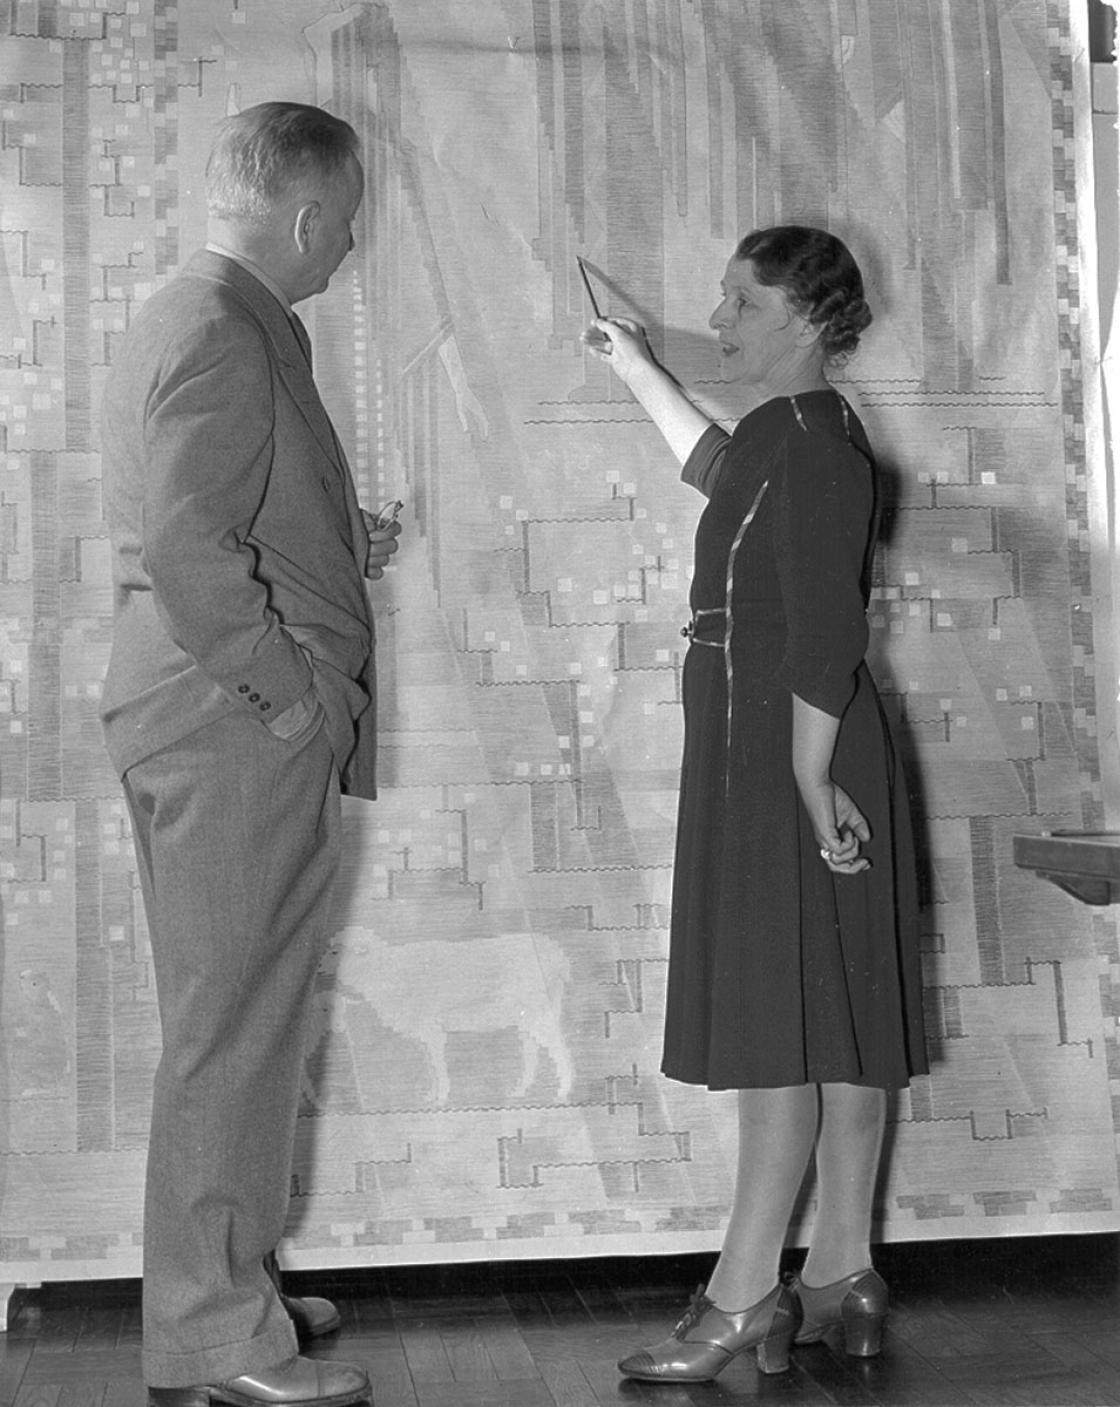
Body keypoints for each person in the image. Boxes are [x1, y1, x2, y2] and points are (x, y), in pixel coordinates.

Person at [585, 226, 928, 1382]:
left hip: (794, 744)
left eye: (741, 303)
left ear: (808, 321)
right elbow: (713, 465)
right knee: (823, 1008)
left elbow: (828, 631)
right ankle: (839, 1273)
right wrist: (636, 366)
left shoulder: (821, 446)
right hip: (773, 740)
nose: (719, 322)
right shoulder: (787, 436)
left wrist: (807, 776)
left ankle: (741, 1297)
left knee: (784, 1016)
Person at [100, 101, 401, 1406]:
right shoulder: (226, 325)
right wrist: (295, 699)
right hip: (233, 721)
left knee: (238, 1017)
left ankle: (230, 1279)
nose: (348, 249)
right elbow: (183, 548)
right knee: (231, 1025)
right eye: (344, 223)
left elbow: (222, 516)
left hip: (215, 714)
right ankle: (217, 1329)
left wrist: (338, 540)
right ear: (305, 212)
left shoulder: (207, 314)